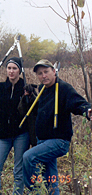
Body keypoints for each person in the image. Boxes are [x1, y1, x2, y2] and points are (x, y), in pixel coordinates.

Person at [23, 59, 92, 195]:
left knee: (28, 157)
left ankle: (36, 190)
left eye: (46, 72)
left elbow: (77, 103)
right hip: (43, 141)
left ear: (54, 71)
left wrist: (87, 110)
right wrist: (29, 97)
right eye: (40, 73)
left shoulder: (63, 88)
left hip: (58, 141)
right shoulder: (42, 89)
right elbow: (39, 111)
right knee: (51, 182)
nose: (43, 76)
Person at [0, 57, 30, 194]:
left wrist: (29, 96)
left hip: (21, 135)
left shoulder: (26, 88)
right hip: (2, 136)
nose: (11, 71)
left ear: (19, 71)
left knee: (18, 171)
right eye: (9, 68)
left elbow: (32, 111)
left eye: (14, 68)